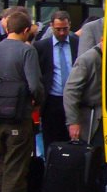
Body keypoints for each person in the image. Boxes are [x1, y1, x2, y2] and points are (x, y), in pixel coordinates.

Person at [0, 11, 43, 192]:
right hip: (18, 117)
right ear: (26, 31)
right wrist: (38, 103)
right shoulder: (27, 50)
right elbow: (34, 85)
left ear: (7, 28)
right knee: (15, 171)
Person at [63, 36, 107, 192]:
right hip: (91, 118)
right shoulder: (87, 59)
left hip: (106, 116)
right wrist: (73, 121)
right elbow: (71, 91)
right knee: (95, 161)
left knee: (104, 161)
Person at [34, 11, 79, 153]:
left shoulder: (77, 44)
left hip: (73, 100)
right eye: (58, 29)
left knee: (73, 142)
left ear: (69, 25)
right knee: (51, 144)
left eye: (65, 29)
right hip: (52, 102)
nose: (61, 33)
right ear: (51, 26)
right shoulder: (41, 47)